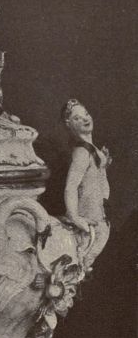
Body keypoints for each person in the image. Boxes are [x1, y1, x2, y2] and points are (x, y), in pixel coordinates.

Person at [61, 99, 111, 267]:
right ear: (69, 124)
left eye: (86, 114)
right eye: (77, 118)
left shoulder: (91, 149)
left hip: (99, 218)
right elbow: (71, 187)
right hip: (87, 222)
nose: (84, 119)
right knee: (81, 262)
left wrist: (103, 163)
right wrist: (74, 217)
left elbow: (95, 175)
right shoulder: (81, 152)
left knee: (86, 263)